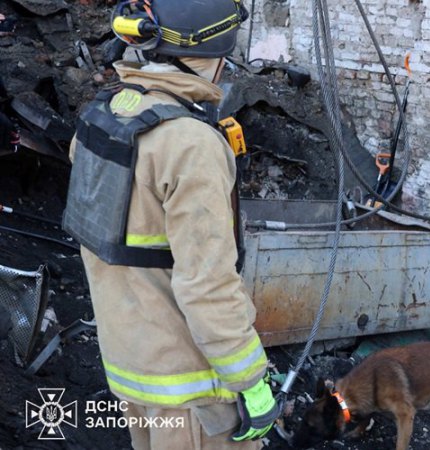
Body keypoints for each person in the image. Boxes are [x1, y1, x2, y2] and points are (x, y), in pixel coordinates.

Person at [63, 1, 278, 449]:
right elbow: (207, 285)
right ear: (216, 55)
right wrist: (252, 381)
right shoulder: (190, 144)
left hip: (132, 373)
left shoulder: (100, 118)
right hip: (193, 394)